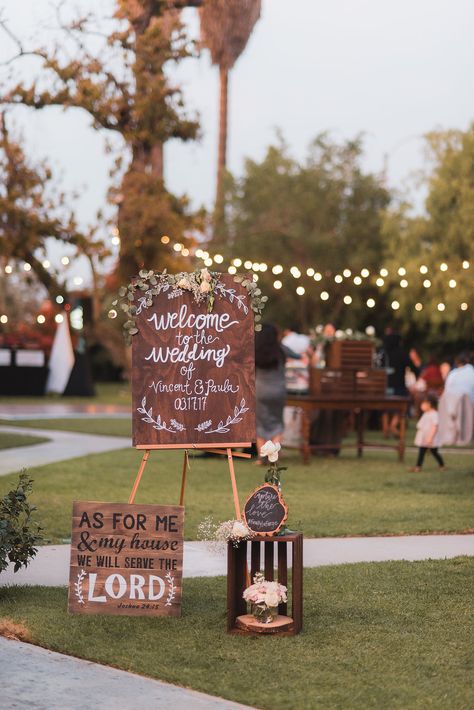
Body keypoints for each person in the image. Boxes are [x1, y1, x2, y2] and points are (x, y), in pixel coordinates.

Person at [255, 323, 298, 462]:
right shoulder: (281, 350)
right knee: (277, 422)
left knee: (260, 423)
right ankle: (273, 457)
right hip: (278, 391)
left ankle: (262, 457)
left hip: (260, 390)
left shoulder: (255, 350)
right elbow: (297, 355)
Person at [409, 393, 445, 472]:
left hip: (430, 439)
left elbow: (435, 426)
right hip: (424, 438)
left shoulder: (434, 415)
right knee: (421, 452)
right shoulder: (426, 414)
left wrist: (430, 438)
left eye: (423, 404)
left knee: (434, 452)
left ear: (429, 404)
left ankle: (442, 465)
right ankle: (418, 467)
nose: (421, 406)